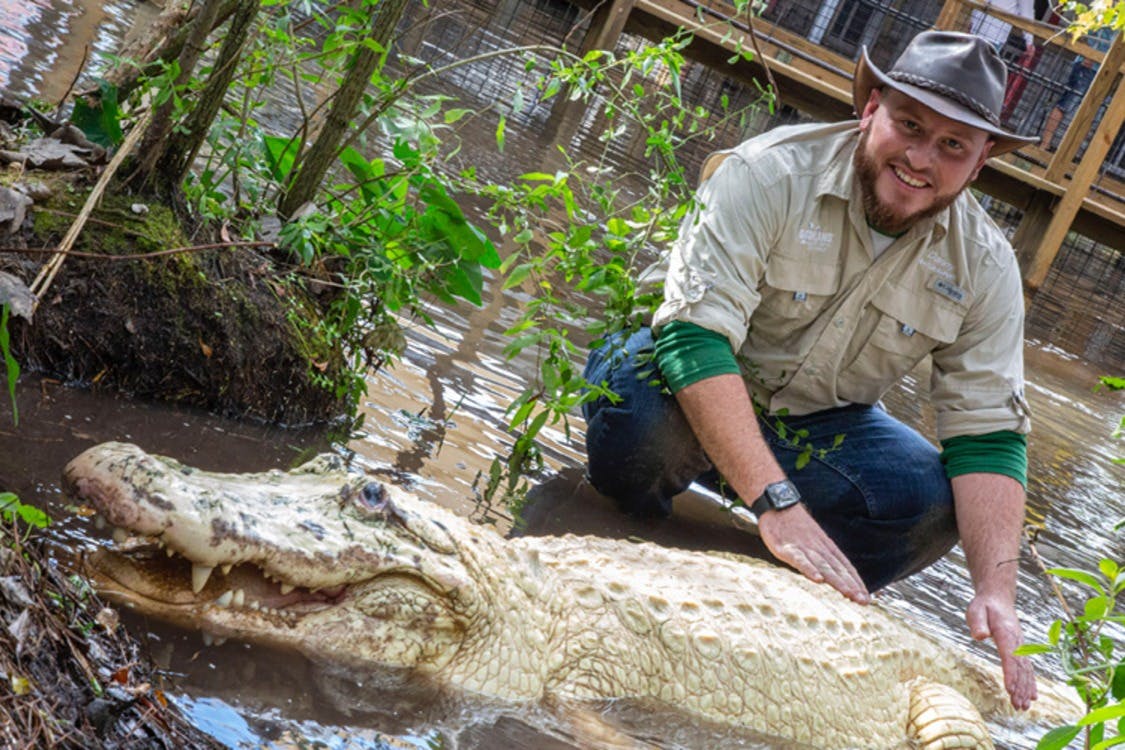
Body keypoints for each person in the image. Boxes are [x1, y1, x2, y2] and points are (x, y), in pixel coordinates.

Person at [581, 31, 1040, 710]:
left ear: (980, 163)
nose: (919, 159)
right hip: (679, 377)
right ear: (870, 108)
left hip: (820, 422)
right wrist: (776, 504)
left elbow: (989, 437)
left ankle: (753, 605)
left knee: (926, 502)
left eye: (952, 146)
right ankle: (630, 542)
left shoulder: (986, 266)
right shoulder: (764, 172)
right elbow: (690, 336)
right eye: (908, 126)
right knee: (641, 424)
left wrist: (995, 593)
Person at [1040, 26, 1116, 150]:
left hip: (1105, 71)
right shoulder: (1106, 13)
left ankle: (1067, 150)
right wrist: (1088, 54)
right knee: (1066, 104)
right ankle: (1045, 144)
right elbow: (1083, 31)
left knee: (1089, 114)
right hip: (1089, 66)